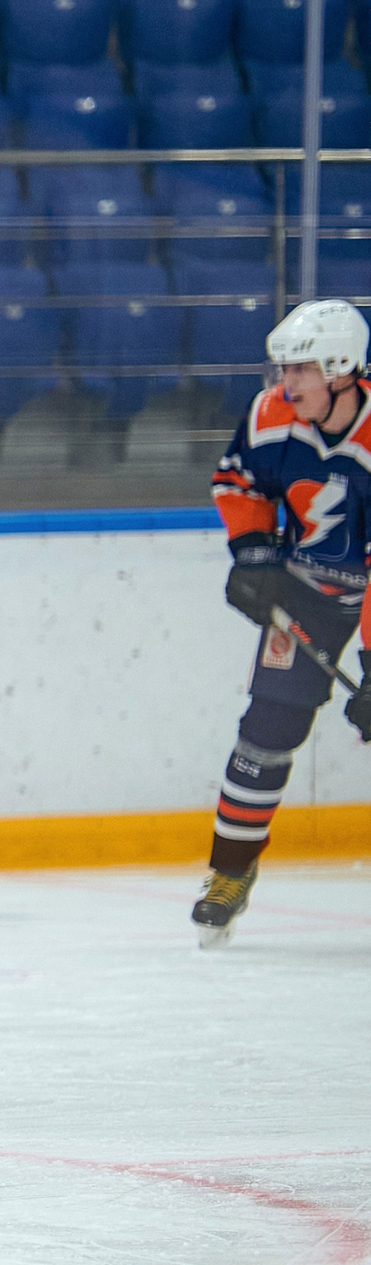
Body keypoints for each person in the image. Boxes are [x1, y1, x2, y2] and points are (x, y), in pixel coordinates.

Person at [195, 299, 371, 944]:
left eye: (299, 370)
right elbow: (237, 481)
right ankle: (230, 873)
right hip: (307, 593)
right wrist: (254, 553)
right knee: (265, 731)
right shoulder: (272, 416)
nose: (283, 384)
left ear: (341, 369)